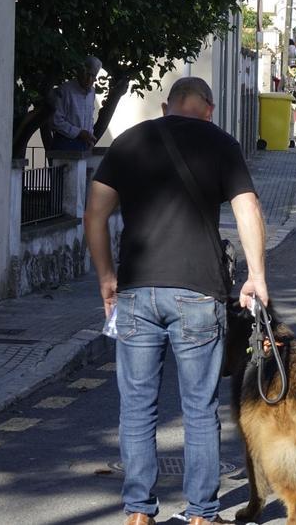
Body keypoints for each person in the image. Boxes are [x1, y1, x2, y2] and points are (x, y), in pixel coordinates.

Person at [84, 77, 267, 525]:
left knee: (137, 406)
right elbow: (248, 210)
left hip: (136, 290)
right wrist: (257, 276)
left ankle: (139, 512)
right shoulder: (221, 142)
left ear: (166, 106)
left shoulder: (128, 142)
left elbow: (95, 213)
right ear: (209, 107)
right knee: (199, 409)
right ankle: (203, 513)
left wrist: (107, 276)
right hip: (198, 292)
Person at [51, 56, 100, 152]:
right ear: (79, 72)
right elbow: (55, 120)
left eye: (93, 76)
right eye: (87, 74)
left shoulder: (92, 92)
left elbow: (90, 118)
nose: (89, 79)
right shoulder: (65, 90)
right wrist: (79, 133)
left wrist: (89, 136)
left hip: (84, 144)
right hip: (64, 144)